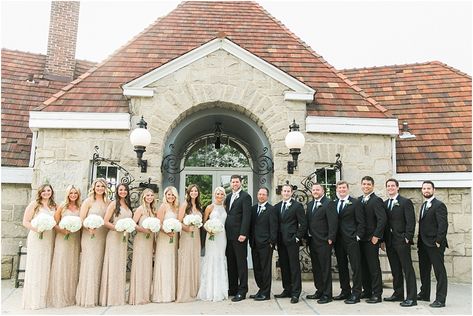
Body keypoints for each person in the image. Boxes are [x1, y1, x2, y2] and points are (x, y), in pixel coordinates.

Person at [382, 178, 417, 307]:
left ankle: (412, 297)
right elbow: (384, 224)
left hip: (402, 241)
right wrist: (383, 241)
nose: (390, 188)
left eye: (392, 186)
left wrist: (407, 237)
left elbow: (411, 221)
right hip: (390, 242)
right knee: (395, 269)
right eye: (388, 186)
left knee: (407, 269)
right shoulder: (385, 204)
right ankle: (398, 293)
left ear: (397, 187)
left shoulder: (405, 202)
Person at [22, 184, 57, 310]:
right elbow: (25, 221)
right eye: (44, 191)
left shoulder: (54, 206)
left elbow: (56, 222)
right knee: (36, 266)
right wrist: (37, 228)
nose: (46, 193)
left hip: (49, 238)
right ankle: (34, 300)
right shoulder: (34, 204)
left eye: (48, 190)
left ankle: (44, 298)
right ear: (40, 192)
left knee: (46, 266)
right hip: (36, 237)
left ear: (52, 192)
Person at [76, 178, 110, 307]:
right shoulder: (88, 201)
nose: (100, 188)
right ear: (94, 188)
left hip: (103, 235)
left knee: (100, 263)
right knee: (90, 263)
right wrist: (89, 228)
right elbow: (82, 219)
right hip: (90, 236)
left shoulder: (108, 202)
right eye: (98, 186)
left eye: (102, 186)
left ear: (105, 188)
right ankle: (87, 297)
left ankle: (99, 297)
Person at [47, 185, 82, 307]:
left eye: (75, 193)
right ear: (67, 194)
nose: (73, 195)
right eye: (71, 193)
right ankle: (58, 296)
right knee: (61, 265)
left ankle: (70, 296)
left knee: (72, 265)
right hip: (62, 239)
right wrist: (63, 231)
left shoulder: (80, 207)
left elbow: (82, 223)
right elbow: (54, 223)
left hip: (74, 239)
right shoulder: (62, 206)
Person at [99, 183, 133, 306]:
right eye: (120, 190)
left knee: (120, 265)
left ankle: (118, 297)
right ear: (117, 191)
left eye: (125, 190)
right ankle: (110, 298)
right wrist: (117, 228)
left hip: (123, 239)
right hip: (114, 237)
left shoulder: (128, 205)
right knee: (113, 265)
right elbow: (105, 221)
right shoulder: (114, 204)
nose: (123, 192)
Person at [332, 180, 365, 304]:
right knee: (341, 266)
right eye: (339, 188)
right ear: (337, 189)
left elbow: (361, 222)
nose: (342, 190)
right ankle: (345, 291)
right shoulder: (334, 203)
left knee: (355, 266)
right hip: (338, 240)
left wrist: (357, 236)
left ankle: (356, 293)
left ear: (348, 189)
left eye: (344, 188)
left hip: (352, 239)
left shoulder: (355, 203)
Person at [274, 183, 307, 304]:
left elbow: (303, 224)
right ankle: (287, 289)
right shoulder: (277, 207)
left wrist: (297, 237)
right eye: (284, 191)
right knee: (284, 265)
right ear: (281, 192)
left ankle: (296, 292)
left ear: (291, 193)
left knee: (294, 267)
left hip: (292, 241)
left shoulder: (297, 206)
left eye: (288, 191)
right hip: (280, 241)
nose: (286, 193)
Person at [417, 181, 448, 308]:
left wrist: (438, 241)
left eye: (428, 188)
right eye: (424, 188)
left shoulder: (439, 205)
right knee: (424, 270)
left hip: (435, 244)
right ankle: (424, 293)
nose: (426, 190)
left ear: (433, 189)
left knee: (439, 272)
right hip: (423, 244)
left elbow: (443, 225)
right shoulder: (424, 205)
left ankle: (441, 299)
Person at [305, 183, 337, 304]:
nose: (315, 191)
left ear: (323, 191)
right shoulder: (310, 205)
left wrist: (331, 237)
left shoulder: (329, 203)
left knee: (325, 268)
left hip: (324, 241)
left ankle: (327, 294)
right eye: (313, 190)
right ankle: (319, 290)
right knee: (316, 268)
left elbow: (333, 222)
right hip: (312, 241)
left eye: (318, 189)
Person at [358, 176, 386, 304]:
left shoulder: (377, 200)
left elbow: (382, 219)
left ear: (372, 186)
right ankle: (367, 290)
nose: (366, 186)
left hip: (371, 239)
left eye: (368, 184)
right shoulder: (359, 200)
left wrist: (377, 236)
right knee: (363, 266)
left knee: (373, 267)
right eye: (364, 184)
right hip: (360, 239)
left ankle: (377, 294)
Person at [197, 186, 229, 302]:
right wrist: (209, 229)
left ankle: (220, 290)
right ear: (214, 194)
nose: (219, 196)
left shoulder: (225, 207)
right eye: (217, 194)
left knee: (220, 258)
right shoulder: (209, 207)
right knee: (211, 258)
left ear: (224, 196)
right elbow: (204, 222)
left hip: (222, 237)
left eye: (221, 194)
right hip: (211, 236)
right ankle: (209, 290)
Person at [224, 175, 252, 302]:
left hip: (239, 236)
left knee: (241, 263)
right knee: (231, 263)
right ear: (230, 183)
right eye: (233, 182)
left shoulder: (246, 197)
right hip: (228, 236)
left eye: (237, 182)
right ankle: (233, 288)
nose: (235, 184)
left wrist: (243, 233)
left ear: (241, 183)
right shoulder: (228, 197)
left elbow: (247, 217)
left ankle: (242, 290)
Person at [128, 188, 157, 305]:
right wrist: (143, 230)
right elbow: (133, 224)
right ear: (143, 197)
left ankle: (145, 295)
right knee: (140, 266)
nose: (149, 197)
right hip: (141, 240)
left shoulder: (153, 210)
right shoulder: (140, 209)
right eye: (147, 195)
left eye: (151, 195)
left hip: (149, 241)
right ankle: (137, 296)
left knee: (147, 266)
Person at [249, 187, 277, 301]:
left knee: (265, 269)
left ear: (267, 196)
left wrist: (271, 242)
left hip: (266, 244)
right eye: (259, 194)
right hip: (254, 243)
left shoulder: (271, 209)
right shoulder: (253, 209)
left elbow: (274, 227)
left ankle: (266, 293)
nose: (261, 196)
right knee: (257, 268)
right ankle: (261, 289)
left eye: (263, 194)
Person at [152, 186, 179, 303]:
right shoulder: (163, 206)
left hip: (173, 239)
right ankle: (162, 294)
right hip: (164, 238)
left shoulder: (176, 207)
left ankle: (171, 293)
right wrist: (167, 231)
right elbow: (159, 223)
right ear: (165, 195)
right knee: (164, 263)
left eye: (173, 195)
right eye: (169, 194)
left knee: (171, 263)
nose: (171, 197)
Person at [176, 184, 203, 302]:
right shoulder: (185, 205)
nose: (194, 193)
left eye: (196, 191)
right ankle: (185, 292)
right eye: (192, 191)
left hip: (196, 236)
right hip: (187, 236)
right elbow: (178, 221)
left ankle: (194, 290)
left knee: (194, 260)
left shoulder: (198, 205)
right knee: (186, 260)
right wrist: (187, 229)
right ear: (188, 192)